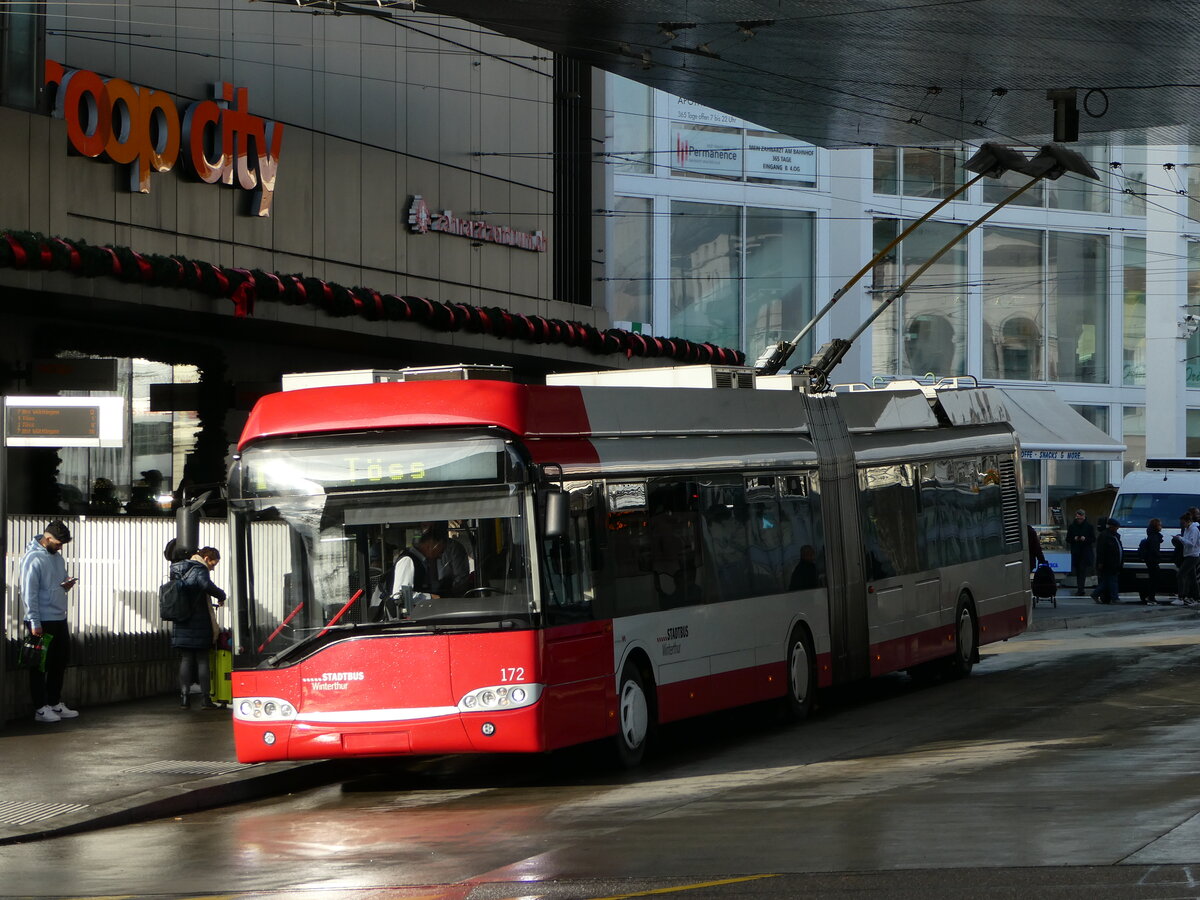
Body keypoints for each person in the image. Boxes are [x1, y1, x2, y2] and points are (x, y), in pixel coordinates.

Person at [20, 520, 79, 724]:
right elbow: (29, 593)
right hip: (41, 620)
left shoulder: (58, 558)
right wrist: (34, 621)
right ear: (47, 539)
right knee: (39, 665)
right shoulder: (32, 559)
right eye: (58, 543)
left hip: (58, 617)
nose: (60, 547)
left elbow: (57, 583)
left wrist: (66, 585)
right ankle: (40, 707)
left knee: (59, 662)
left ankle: (54, 702)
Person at [168, 544, 227, 709]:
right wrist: (221, 595)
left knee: (186, 659)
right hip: (198, 620)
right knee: (202, 660)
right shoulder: (200, 569)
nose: (212, 568)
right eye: (213, 564)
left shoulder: (177, 568)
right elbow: (205, 585)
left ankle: (185, 699)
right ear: (206, 559)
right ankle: (206, 699)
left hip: (181, 619)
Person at [384, 529, 446, 614]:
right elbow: (401, 595)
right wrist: (430, 597)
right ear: (430, 545)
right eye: (440, 550)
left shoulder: (421, 562)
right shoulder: (408, 560)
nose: (440, 556)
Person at [421, 522, 472, 595]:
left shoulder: (454, 548)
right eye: (424, 526)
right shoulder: (420, 551)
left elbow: (461, 580)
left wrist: (444, 593)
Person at [1092, 517, 1123, 605]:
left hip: (1115, 562)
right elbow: (1101, 551)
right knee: (1112, 581)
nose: (1117, 529)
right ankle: (1115, 597)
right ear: (1111, 526)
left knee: (1107, 581)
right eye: (1116, 527)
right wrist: (1100, 562)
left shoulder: (1116, 536)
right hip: (1108, 562)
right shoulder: (1104, 536)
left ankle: (1095, 594)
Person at [1065, 509, 1096, 597]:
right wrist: (1074, 539)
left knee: (1082, 571)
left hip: (1085, 552)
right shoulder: (1072, 527)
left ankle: (1080, 589)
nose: (1079, 520)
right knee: (1079, 571)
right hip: (1076, 551)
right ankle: (1080, 588)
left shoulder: (1089, 527)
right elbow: (1068, 539)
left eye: (1081, 518)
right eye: (1078, 518)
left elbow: (1093, 539)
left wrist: (1085, 539)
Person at [1138, 518, 1164, 605]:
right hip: (1153, 561)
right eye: (1160, 525)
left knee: (1153, 579)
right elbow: (1154, 550)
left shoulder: (1151, 535)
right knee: (1154, 579)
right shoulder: (1154, 537)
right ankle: (1150, 597)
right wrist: (1159, 557)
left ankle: (1148, 596)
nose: (1161, 527)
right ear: (1156, 526)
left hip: (1150, 561)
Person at [1178, 512, 1200, 606]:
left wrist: (1180, 538)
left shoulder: (1194, 530)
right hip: (1189, 554)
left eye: (1183, 523)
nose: (1182, 525)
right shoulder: (1187, 529)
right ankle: (1196, 598)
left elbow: (1192, 543)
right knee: (1192, 578)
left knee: (1180, 574)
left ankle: (1181, 597)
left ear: (1188, 521)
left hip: (1193, 555)